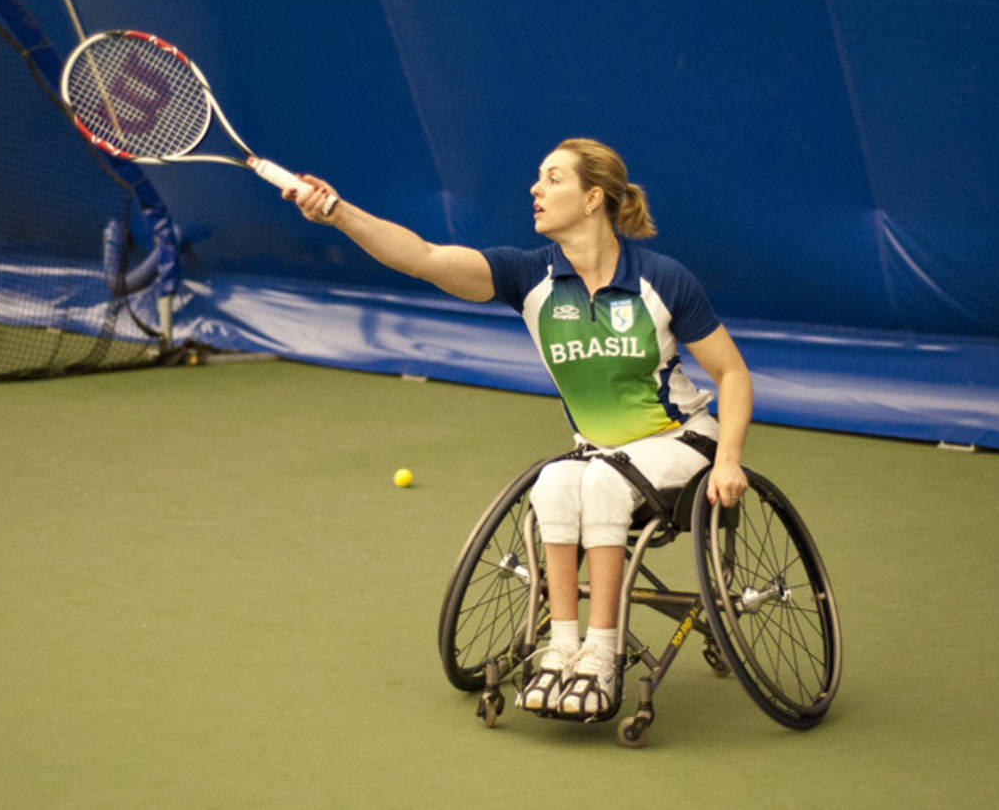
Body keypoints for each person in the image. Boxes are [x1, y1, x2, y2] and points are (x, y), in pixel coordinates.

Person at [286, 138, 751, 722]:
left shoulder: (661, 279)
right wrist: (338, 212)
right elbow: (422, 257)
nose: (536, 189)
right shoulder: (528, 276)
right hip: (598, 455)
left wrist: (729, 458)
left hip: (678, 444)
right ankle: (561, 648)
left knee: (600, 482)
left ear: (592, 199)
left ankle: (602, 656)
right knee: (555, 481)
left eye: (553, 179)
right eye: (538, 178)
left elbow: (731, 373)